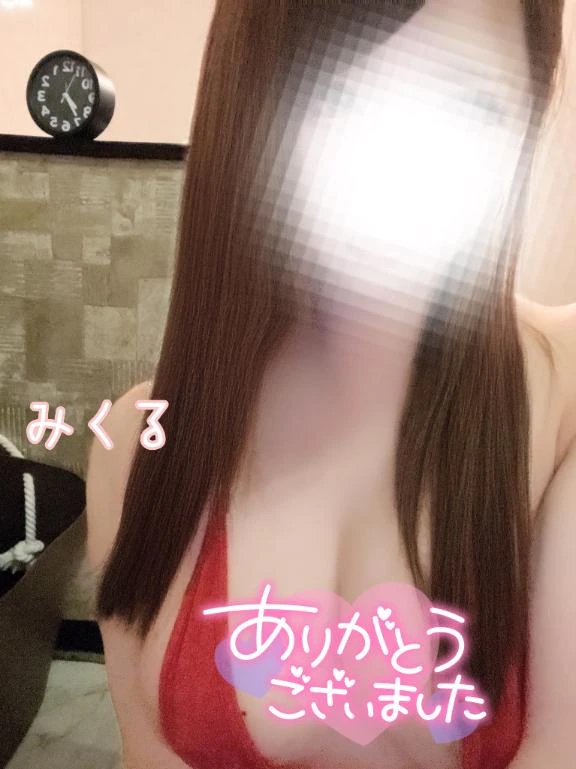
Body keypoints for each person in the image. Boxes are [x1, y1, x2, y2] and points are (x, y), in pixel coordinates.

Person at [86, 1, 575, 767]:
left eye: (470, 111)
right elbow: (147, 751)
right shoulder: (139, 445)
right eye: (337, 99)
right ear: (250, 115)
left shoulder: (564, 395)